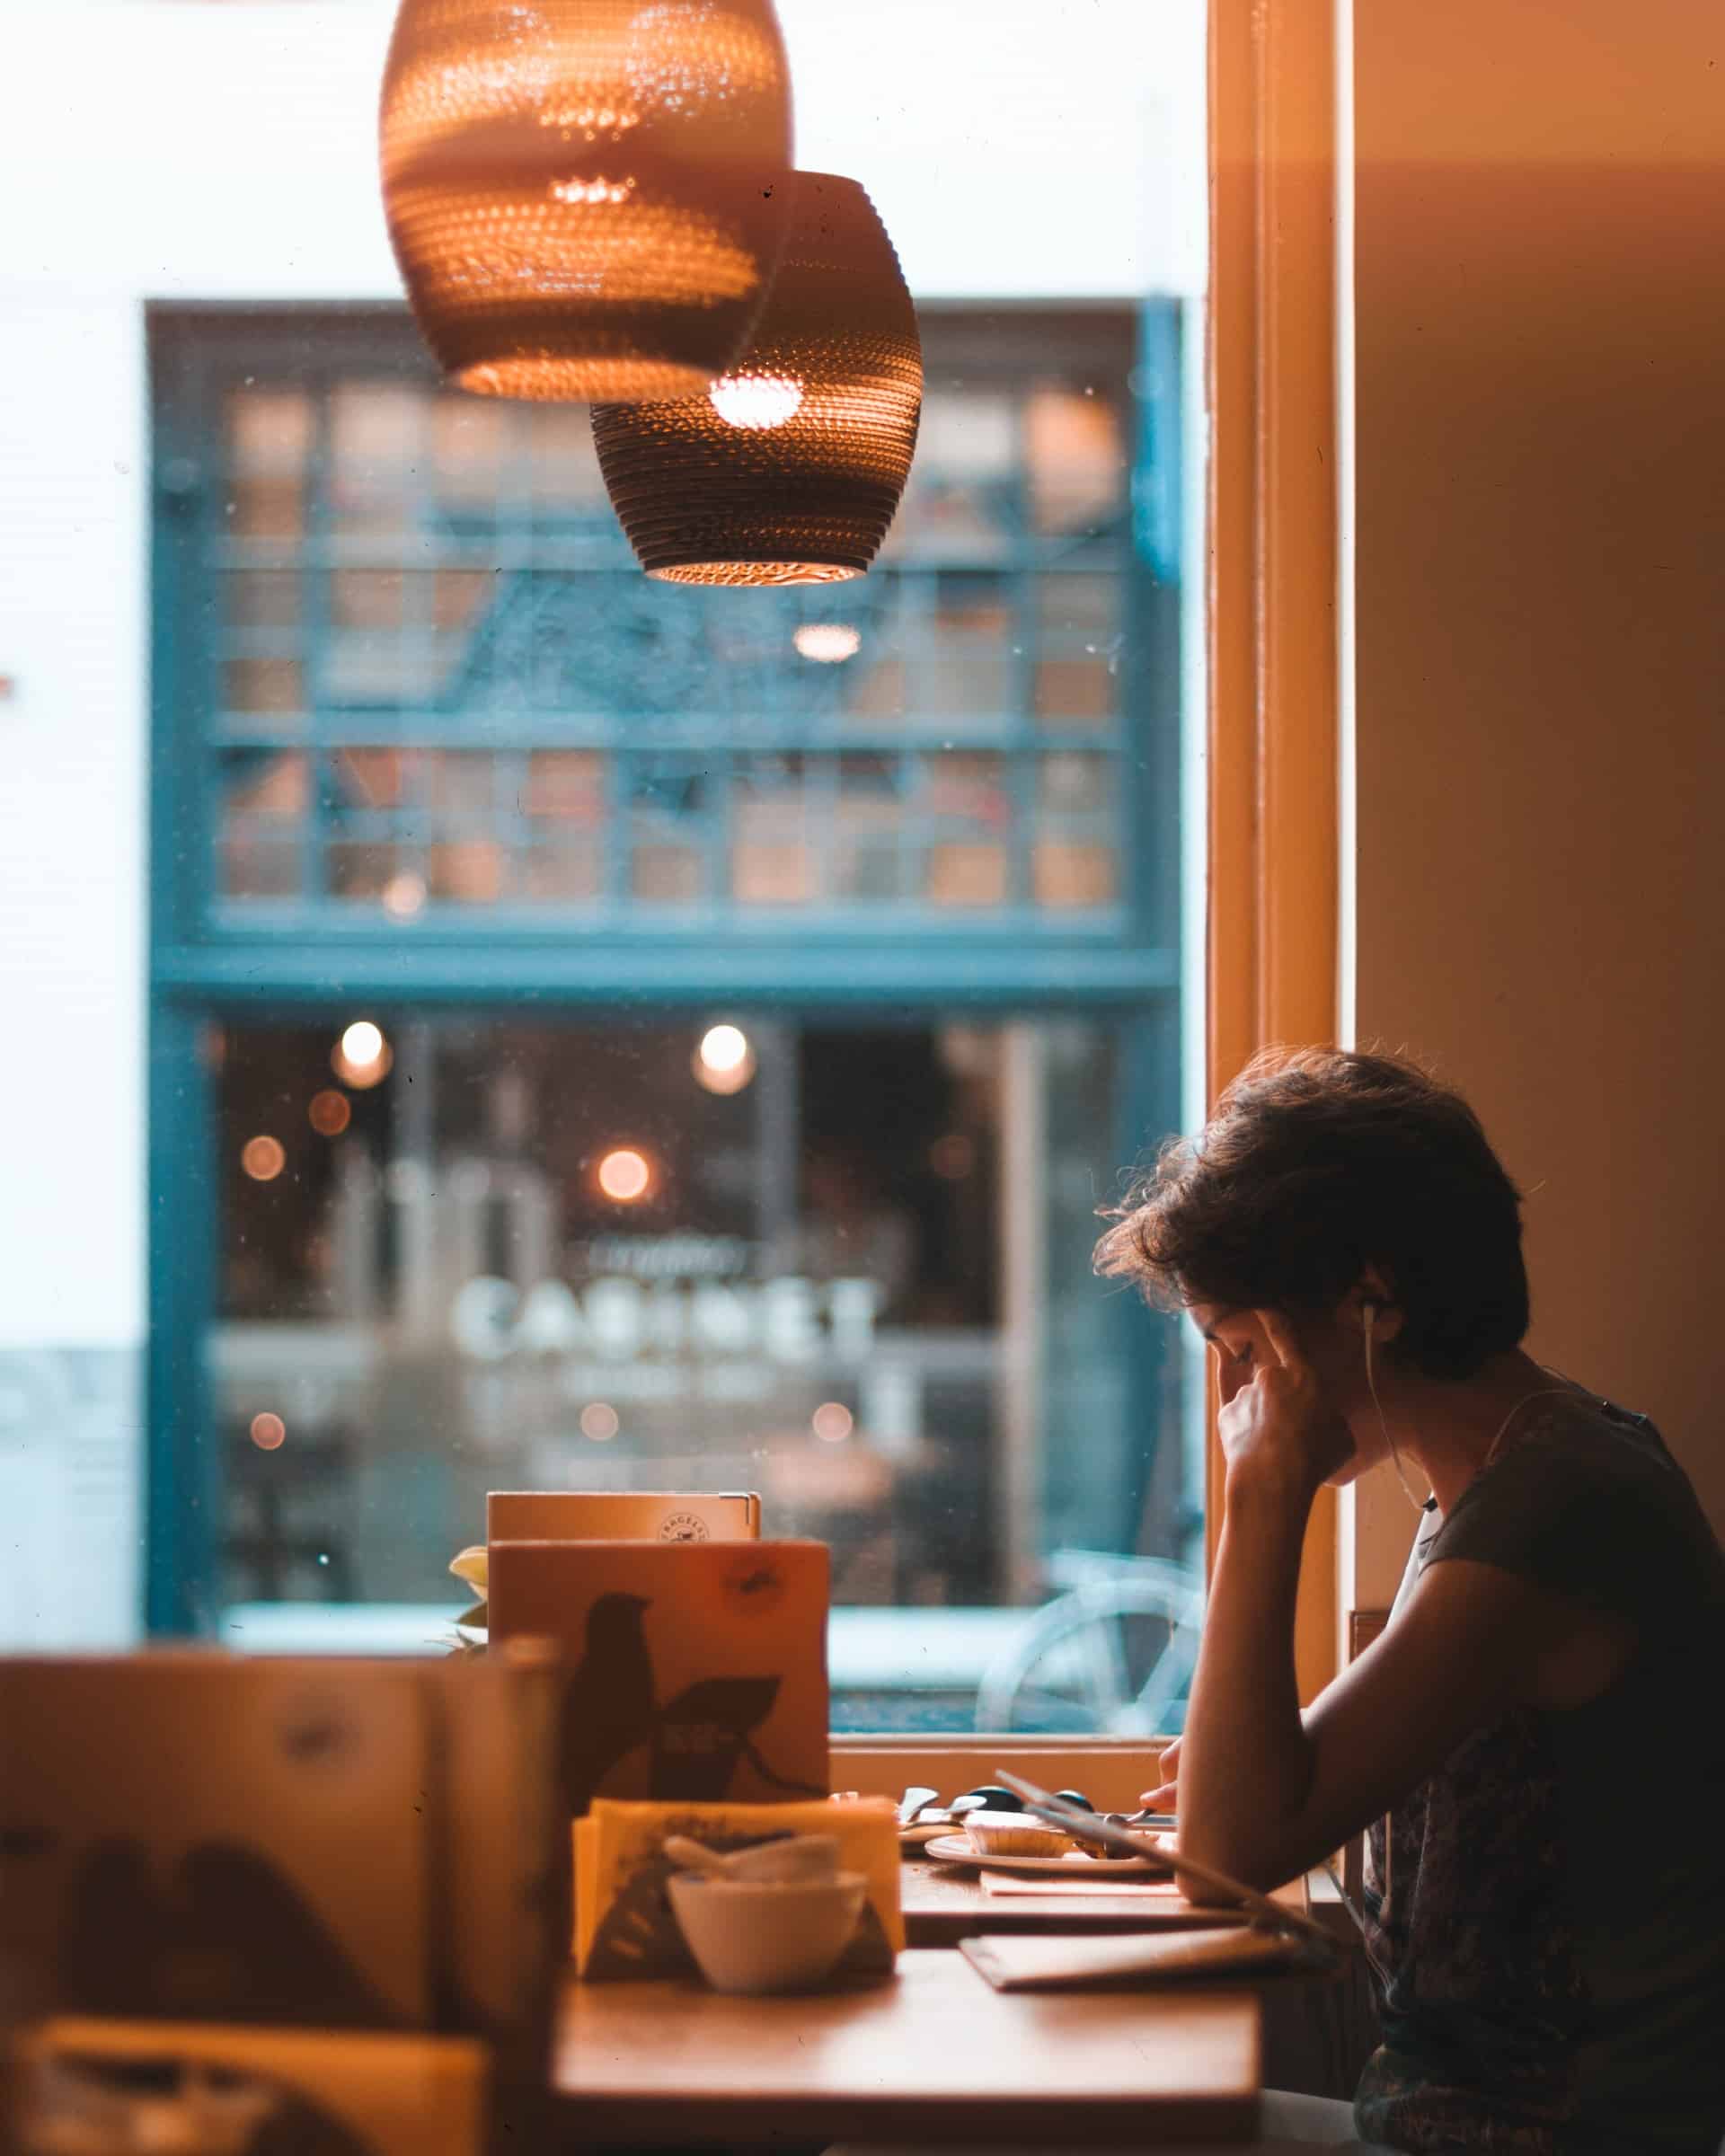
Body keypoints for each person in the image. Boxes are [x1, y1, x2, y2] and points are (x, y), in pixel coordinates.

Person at [1095, 1047, 1725, 2155]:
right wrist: (1246, 1772)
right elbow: (1260, 1803)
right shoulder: (1509, 1483)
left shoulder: (1555, 1507)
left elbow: (1229, 1852)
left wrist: (1267, 1491)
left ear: (1371, 1298)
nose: (1238, 1401)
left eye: (1244, 1351)